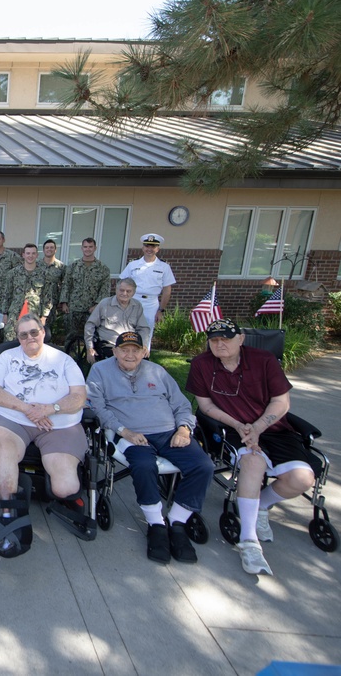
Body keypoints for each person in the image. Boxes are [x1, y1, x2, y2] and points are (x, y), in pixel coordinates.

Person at [187, 318, 318, 576]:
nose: (219, 344)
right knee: (253, 462)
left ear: (241, 339)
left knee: (302, 479)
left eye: (226, 338)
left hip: (273, 429)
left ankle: (261, 506)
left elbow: (282, 402)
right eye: (214, 340)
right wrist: (239, 425)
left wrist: (257, 427)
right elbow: (205, 406)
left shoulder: (264, 361)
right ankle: (249, 541)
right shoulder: (202, 364)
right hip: (232, 429)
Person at [87, 331, 213, 563]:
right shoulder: (100, 371)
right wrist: (125, 431)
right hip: (131, 434)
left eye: (136, 350)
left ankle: (176, 522)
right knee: (144, 466)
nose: (130, 354)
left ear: (144, 352)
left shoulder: (158, 371)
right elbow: (97, 407)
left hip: (169, 433)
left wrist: (184, 429)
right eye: (124, 350)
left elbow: (182, 404)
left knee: (203, 466)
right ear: (114, 351)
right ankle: (156, 524)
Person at [0, 314, 88, 556]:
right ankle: (8, 512)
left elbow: (79, 396)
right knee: (7, 453)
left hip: (59, 423)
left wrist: (50, 408)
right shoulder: (6, 358)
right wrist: (27, 409)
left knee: (66, 487)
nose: (29, 337)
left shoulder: (63, 360)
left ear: (43, 332)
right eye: (23, 334)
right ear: (18, 338)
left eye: (34, 332)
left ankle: (46, 490)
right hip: (12, 418)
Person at [119, 233, 176, 349]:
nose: (149, 249)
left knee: (146, 332)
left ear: (157, 249)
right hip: (132, 301)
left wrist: (161, 310)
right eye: (147, 246)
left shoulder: (164, 267)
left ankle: (144, 357)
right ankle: (126, 356)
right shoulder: (133, 264)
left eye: (153, 247)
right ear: (143, 248)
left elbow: (167, 290)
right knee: (127, 330)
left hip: (151, 304)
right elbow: (122, 283)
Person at [85, 278, 151, 363]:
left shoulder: (137, 306)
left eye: (128, 291)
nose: (124, 293)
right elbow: (90, 325)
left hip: (130, 343)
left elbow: (144, 328)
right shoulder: (105, 304)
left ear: (133, 293)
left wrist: (144, 345)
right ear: (116, 290)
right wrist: (89, 348)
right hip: (109, 344)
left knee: (144, 359)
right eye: (121, 290)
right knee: (119, 360)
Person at [58, 237, 111, 344]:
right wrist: (64, 303)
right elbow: (66, 285)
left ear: (95, 248)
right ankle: (70, 357)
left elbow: (105, 289)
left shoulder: (102, 268)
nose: (88, 249)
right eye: (85, 247)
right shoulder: (73, 266)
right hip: (73, 308)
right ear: (81, 248)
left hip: (92, 309)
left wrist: (97, 305)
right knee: (70, 336)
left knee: (91, 338)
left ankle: (89, 358)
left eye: (90, 247)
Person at [2, 244, 49, 341]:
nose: (30, 256)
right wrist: (5, 313)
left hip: (34, 313)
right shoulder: (13, 273)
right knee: (10, 339)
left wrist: (44, 316)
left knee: (32, 339)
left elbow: (48, 296)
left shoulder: (44, 274)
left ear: (37, 255)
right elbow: (7, 294)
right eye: (28, 253)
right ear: (23, 255)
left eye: (33, 253)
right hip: (15, 314)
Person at [40, 239, 67, 328]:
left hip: (52, 303)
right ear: (43, 250)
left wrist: (63, 302)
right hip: (36, 302)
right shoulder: (36, 265)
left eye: (52, 247)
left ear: (55, 250)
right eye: (47, 248)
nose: (49, 249)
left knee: (47, 328)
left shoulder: (61, 267)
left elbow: (65, 285)